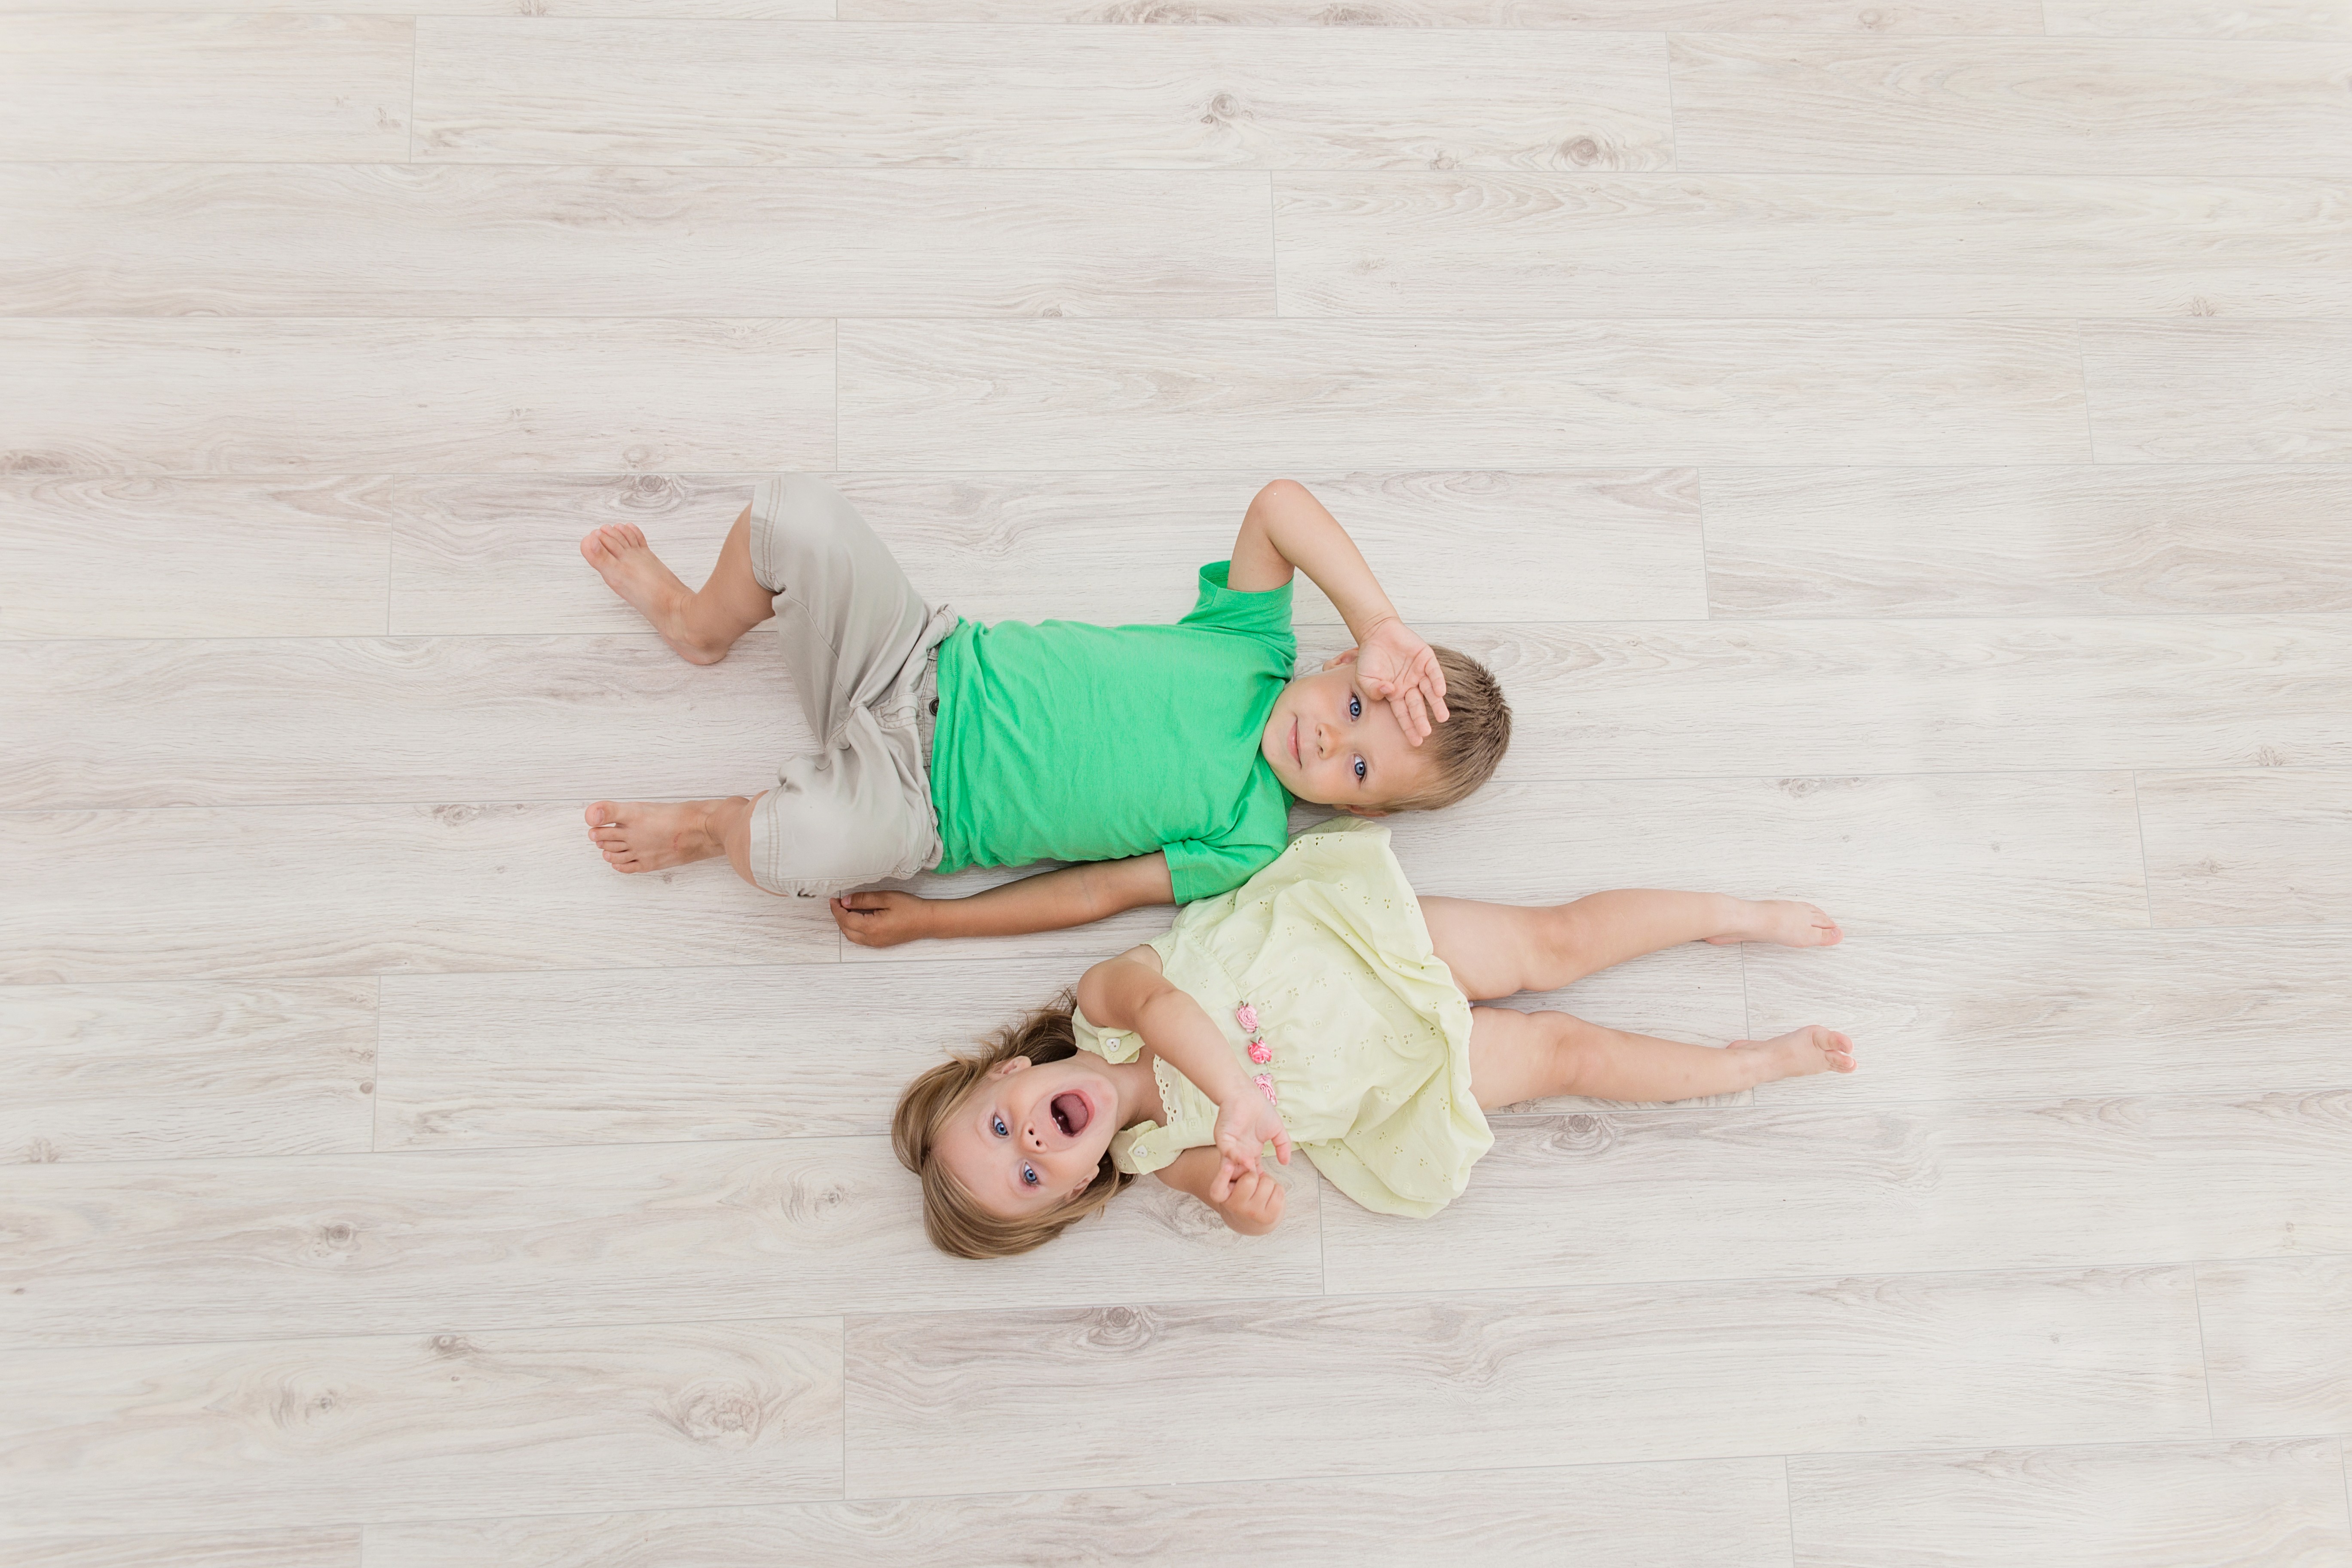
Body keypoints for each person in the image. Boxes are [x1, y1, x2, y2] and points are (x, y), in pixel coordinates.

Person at [578, 476, 1511, 946]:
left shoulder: (1250, 834)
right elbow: (1278, 506)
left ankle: (714, 825)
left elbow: (1098, 891)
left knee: (791, 853)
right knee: (793, 512)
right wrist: (1384, 620)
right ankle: (697, 625)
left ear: (1361, 809)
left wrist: (941, 920)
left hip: (916, 808)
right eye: (1354, 703)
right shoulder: (1253, 644)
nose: (1328, 736)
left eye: (1357, 765)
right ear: (1344, 657)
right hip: (916, 656)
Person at [893, 818, 1857, 1257]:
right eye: (1031, 1177)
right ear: (1071, 1190)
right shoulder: (1149, 1155)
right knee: (1568, 1054)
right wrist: (1247, 1206)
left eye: (999, 1128)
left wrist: (1233, 1094)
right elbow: (1227, 1194)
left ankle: (1726, 914)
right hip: (1392, 1071)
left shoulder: (1104, 1007)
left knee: (1550, 943)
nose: (1032, 1144)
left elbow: (1166, 1014)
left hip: (1364, 947)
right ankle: (1746, 1066)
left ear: (1013, 1070)